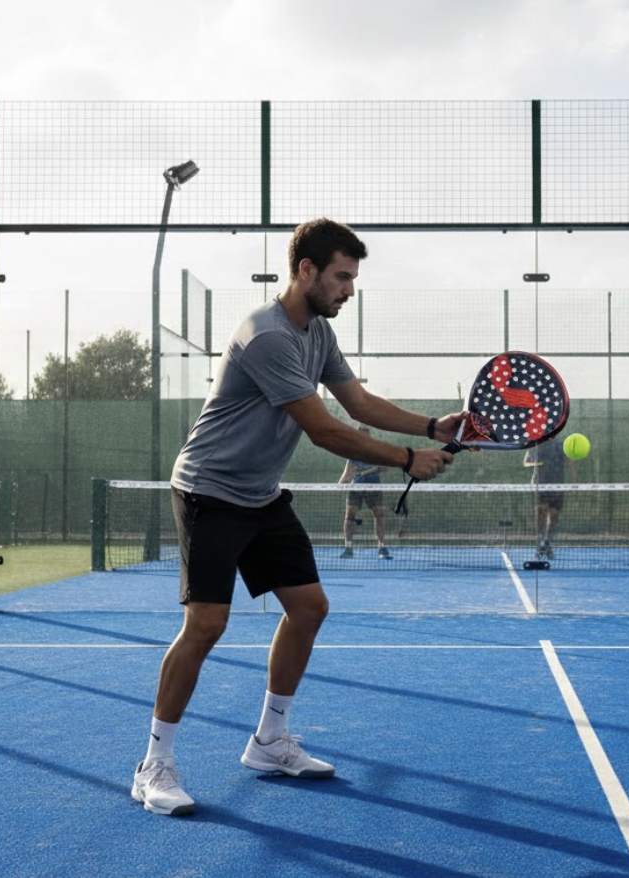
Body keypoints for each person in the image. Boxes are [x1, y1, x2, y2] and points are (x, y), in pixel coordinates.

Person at [132, 218, 466, 816]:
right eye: (342, 276)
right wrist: (408, 459)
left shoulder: (316, 333)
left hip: (259, 494)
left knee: (309, 608)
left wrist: (430, 427)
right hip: (209, 491)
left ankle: (269, 742)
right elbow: (324, 429)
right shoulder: (267, 335)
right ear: (306, 270)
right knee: (206, 625)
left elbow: (357, 402)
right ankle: (154, 765)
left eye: (353, 278)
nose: (350, 290)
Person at [339, 426, 391, 559]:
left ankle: (381, 547)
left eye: (367, 435)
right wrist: (339, 485)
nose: (365, 438)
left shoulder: (376, 451)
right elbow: (347, 474)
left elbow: (385, 468)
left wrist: (377, 468)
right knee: (350, 516)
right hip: (355, 488)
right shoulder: (352, 454)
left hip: (373, 487)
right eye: (362, 435)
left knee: (379, 515)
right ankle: (348, 547)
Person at [523, 437, 577, 560]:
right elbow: (526, 462)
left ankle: (547, 542)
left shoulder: (562, 445)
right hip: (539, 485)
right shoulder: (534, 445)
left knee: (554, 516)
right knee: (541, 514)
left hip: (557, 486)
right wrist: (537, 464)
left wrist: (574, 483)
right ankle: (539, 543)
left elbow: (571, 463)